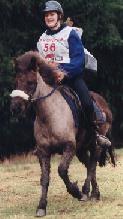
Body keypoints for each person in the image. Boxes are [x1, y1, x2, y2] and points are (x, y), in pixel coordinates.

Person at [37, 0, 111, 147]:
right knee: (35, 102)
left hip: (71, 78)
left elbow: (79, 60)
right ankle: (40, 138)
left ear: (59, 16)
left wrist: (64, 73)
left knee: (86, 102)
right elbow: (40, 63)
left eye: (52, 14)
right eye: (46, 15)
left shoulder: (70, 34)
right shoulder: (41, 39)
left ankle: (95, 134)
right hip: (50, 81)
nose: (49, 17)